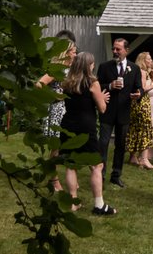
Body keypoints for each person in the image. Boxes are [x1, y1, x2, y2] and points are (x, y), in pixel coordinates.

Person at [58, 51, 116, 216]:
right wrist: (103, 99)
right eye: (92, 63)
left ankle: (73, 202)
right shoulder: (92, 82)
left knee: (71, 165)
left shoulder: (67, 82)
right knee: (96, 165)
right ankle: (99, 204)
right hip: (86, 126)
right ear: (88, 65)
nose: (93, 65)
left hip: (68, 124)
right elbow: (102, 109)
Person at [96, 37, 142, 189]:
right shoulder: (104, 66)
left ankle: (116, 175)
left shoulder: (134, 69)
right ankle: (100, 175)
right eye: (113, 49)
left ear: (126, 50)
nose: (115, 52)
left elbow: (139, 88)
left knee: (120, 145)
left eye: (118, 49)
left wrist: (138, 94)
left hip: (124, 112)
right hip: (107, 111)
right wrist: (109, 85)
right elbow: (97, 86)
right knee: (103, 143)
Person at [37, 38, 77, 191]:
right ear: (66, 53)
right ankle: (54, 180)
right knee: (56, 148)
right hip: (57, 110)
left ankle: (71, 178)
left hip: (70, 110)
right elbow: (39, 84)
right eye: (73, 52)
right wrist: (52, 96)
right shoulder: (57, 69)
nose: (76, 54)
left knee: (68, 145)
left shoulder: (72, 69)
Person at [125, 50, 153, 170]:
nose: (151, 60)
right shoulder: (143, 72)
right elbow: (143, 89)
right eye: (149, 59)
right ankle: (144, 159)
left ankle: (132, 156)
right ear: (143, 60)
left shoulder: (136, 70)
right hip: (142, 103)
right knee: (145, 129)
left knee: (135, 128)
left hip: (135, 104)